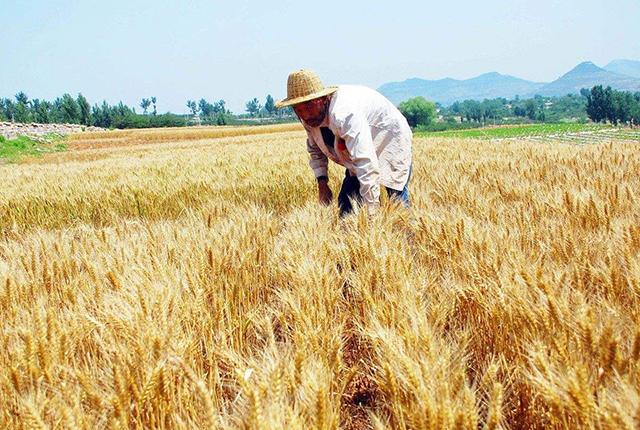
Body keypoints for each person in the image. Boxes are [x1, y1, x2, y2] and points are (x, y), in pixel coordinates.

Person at [276, 69, 413, 217]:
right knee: (346, 206)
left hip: (389, 136)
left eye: (308, 106)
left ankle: (409, 235)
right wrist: (322, 184)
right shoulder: (308, 118)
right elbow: (315, 150)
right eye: (298, 109)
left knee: (397, 198)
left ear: (322, 99)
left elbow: (365, 162)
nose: (305, 115)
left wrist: (373, 213)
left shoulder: (345, 113)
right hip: (354, 148)